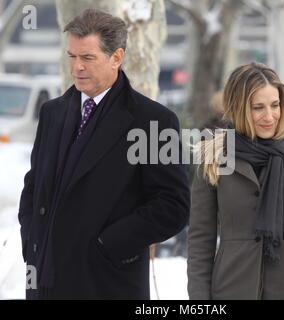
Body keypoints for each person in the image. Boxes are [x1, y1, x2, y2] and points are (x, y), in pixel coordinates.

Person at [18, 9, 190, 299]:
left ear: (117, 57)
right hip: (45, 281)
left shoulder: (153, 121)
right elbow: (34, 186)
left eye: (88, 58)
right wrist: (31, 241)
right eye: (72, 56)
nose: (77, 68)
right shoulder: (52, 112)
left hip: (108, 283)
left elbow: (173, 206)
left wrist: (108, 245)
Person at [187, 62, 284, 300]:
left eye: (275, 105)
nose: (269, 116)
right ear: (238, 108)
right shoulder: (213, 158)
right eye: (258, 107)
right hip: (231, 288)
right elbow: (201, 240)